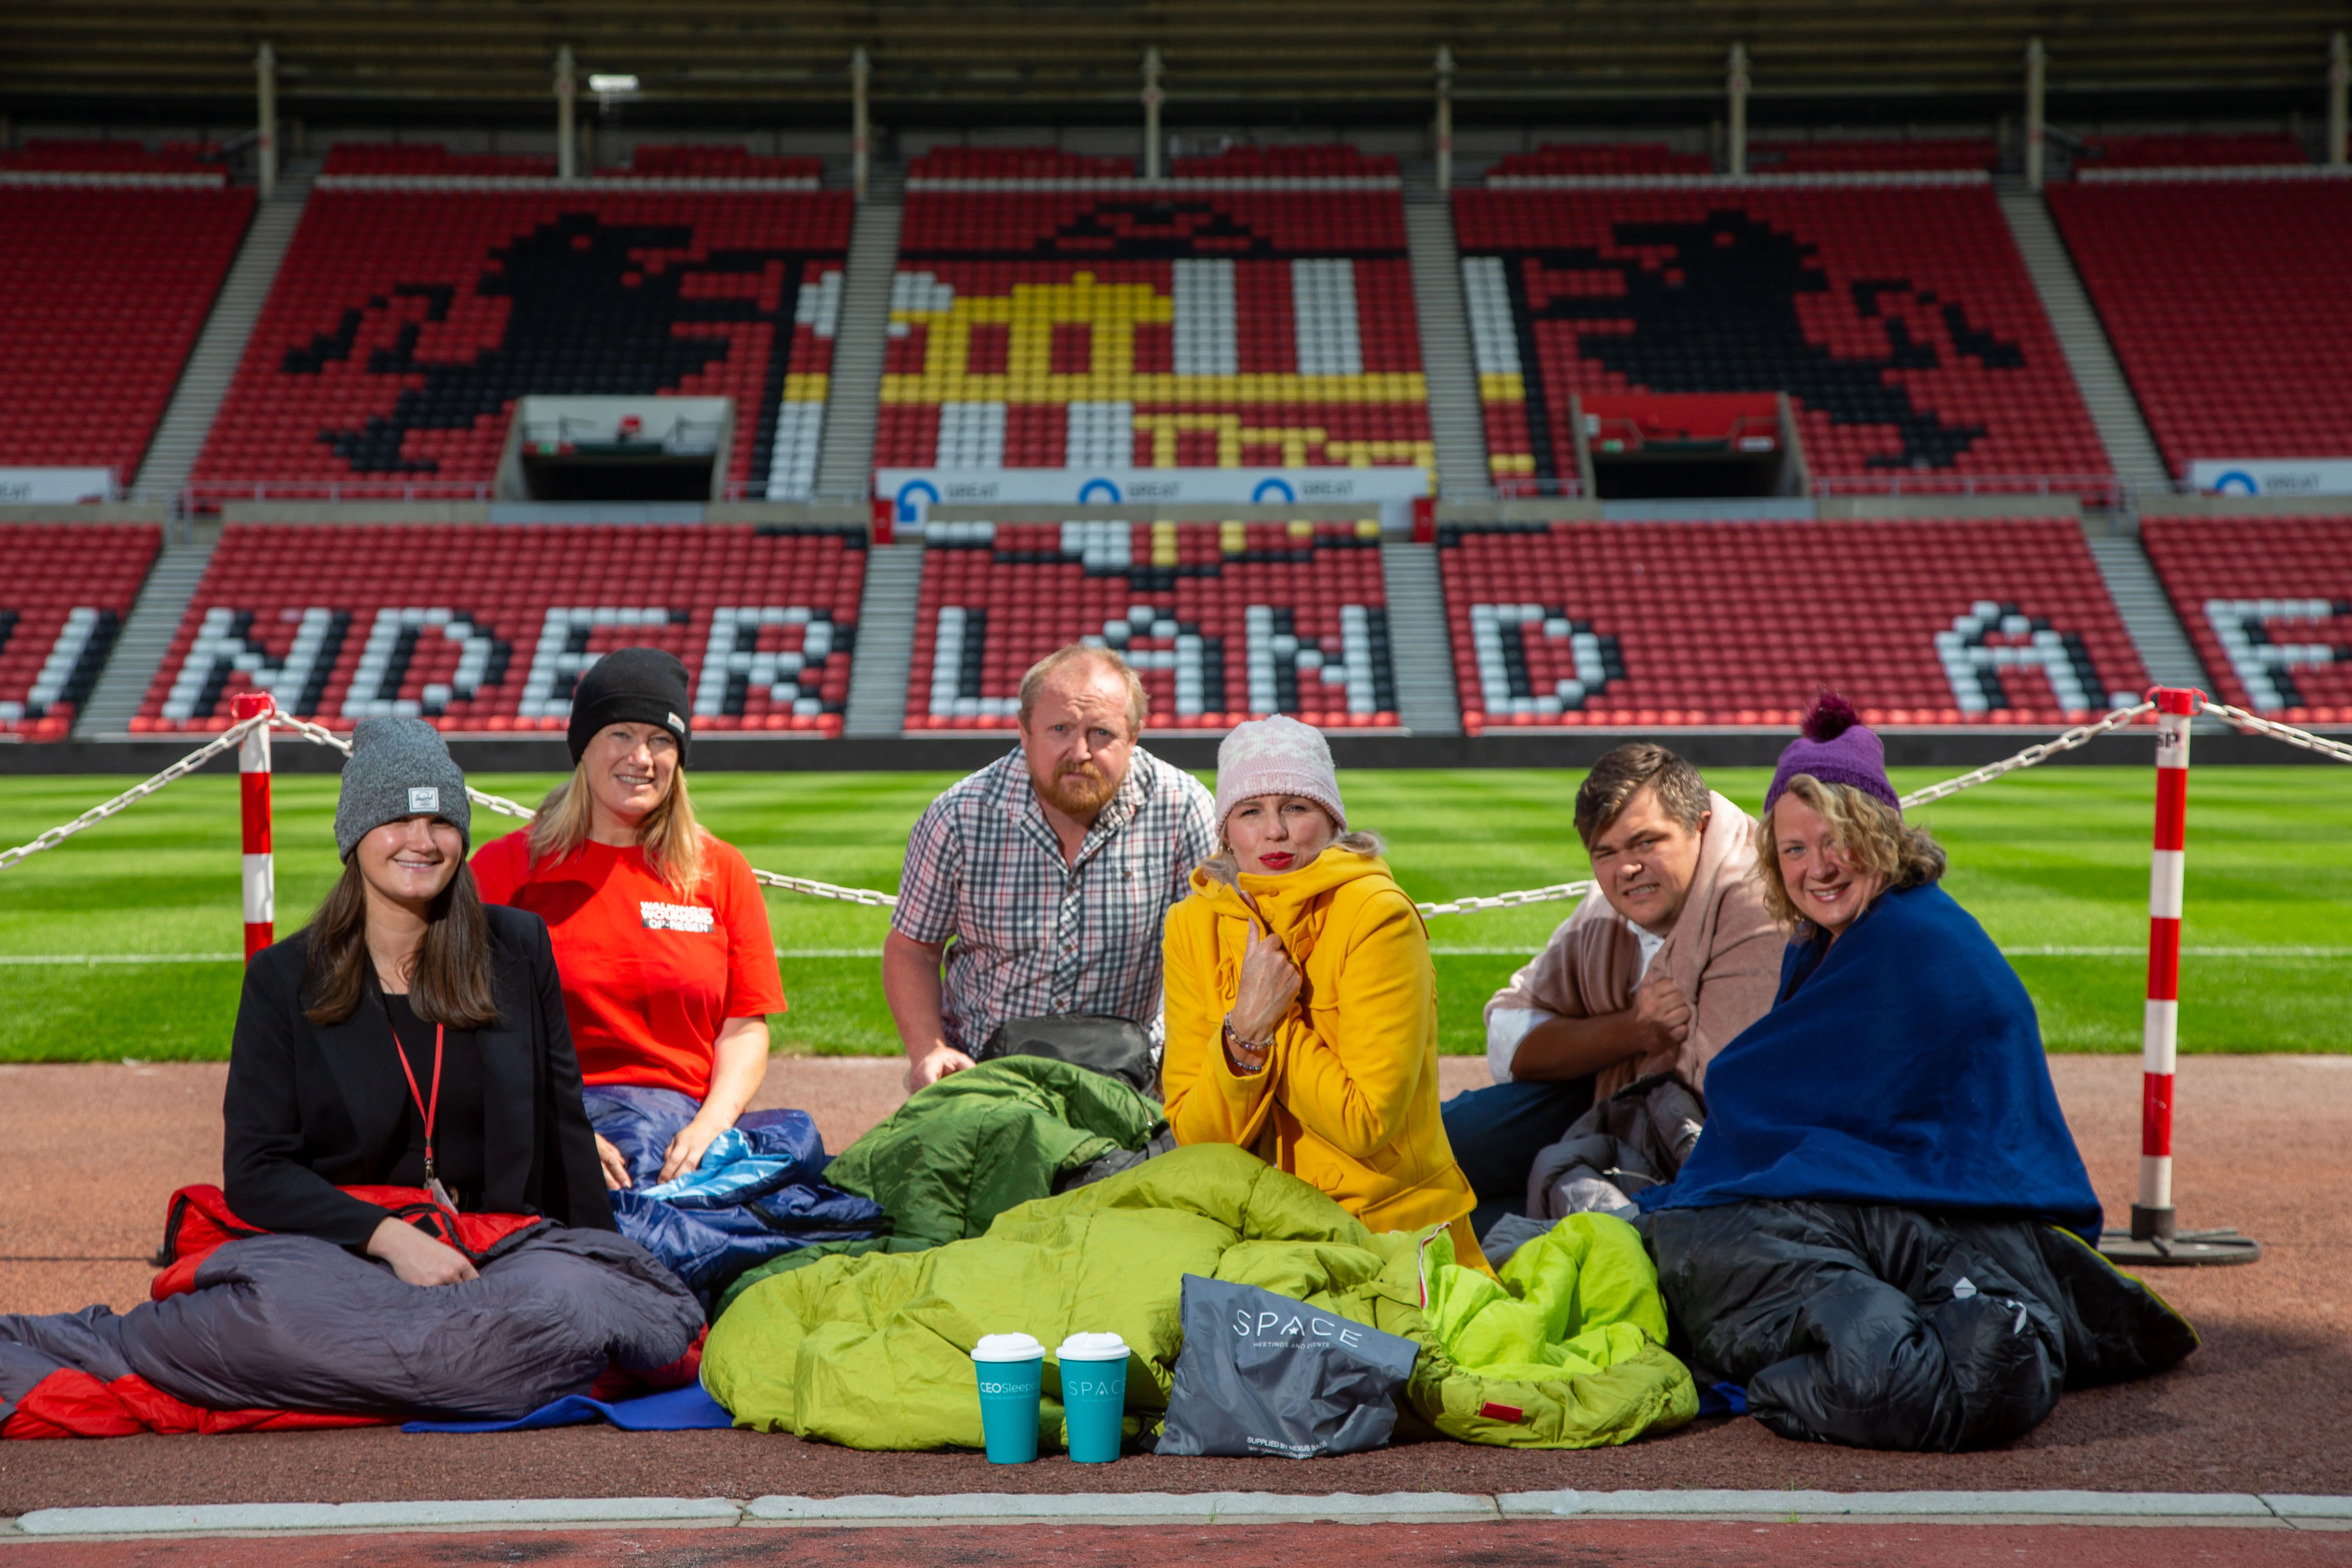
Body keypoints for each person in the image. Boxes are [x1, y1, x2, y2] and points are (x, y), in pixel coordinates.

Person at [1637, 695, 2196, 1450]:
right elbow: (1802, 1090)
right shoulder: (1842, 935)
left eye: (1831, 839)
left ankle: (1887, 1357)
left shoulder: (1909, 942)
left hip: (1982, 1213)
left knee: (1708, 1241)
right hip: (1942, 1197)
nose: (1814, 866)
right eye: (1791, 850)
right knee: (1709, 1226)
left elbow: (1766, 1088)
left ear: (1875, 832)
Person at [223, 717, 614, 1287]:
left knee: (583, 1312)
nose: (422, 843)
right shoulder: (284, 978)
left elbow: (565, 1134)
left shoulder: (519, 949)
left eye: (440, 823)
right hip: (349, 1257)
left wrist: (606, 1263)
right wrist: (389, 1237)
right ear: (355, 835)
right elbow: (256, 1171)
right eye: (397, 820)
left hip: (501, 1253)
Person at [1160, 716, 1483, 1266]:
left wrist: (1270, 1018)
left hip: (1382, 1229)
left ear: (1331, 818)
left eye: (1295, 807)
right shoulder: (1192, 924)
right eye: (1250, 812)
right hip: (1247, 1223)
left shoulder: (1377, 916)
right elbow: (1197, 1136)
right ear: (1226, 832)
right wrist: (1246, 1033)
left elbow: (1366, 1124)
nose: (1274, 832)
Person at [472, 647, 784, 1188]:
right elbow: (461, 1018)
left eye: (660, 739)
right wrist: (556, 1126)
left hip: (681, 1128)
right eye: (621, 734)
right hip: (542, 1116)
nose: (641, 757)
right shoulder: (506, 868)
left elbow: (745, 1025)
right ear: (583, 746)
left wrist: (711, 1125)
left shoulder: (721, 871)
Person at [1441, 743, 1783, 1235]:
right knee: (1442, 1145)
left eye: (1647, 843)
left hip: (1704, 1165)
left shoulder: (1756, 907)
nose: (1626, 868)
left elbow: (1721, 1107)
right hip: (1610, 1108)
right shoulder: (1606, 907)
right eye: (1606, 852)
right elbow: (1508, 1028)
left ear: (1700, 827)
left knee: (1474, 1230)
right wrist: (1631, 1032)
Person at [885, 645, 1217, 1093]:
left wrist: (1185, 1067)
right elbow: (913, 949)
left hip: (1131, 1075)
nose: (1079, 752)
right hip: (984, 1072)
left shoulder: (1182, 808)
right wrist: (930, 1049)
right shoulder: (959, 816)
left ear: (1134, 735)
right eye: (1060, 729)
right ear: (1024, 732)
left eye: (1101, 733)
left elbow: (1213, 953)